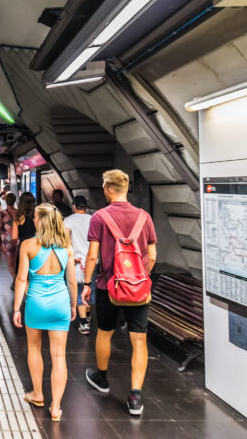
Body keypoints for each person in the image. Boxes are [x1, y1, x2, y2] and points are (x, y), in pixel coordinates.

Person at [81, 169, 157, 416]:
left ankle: (102, 379)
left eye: (104, 188)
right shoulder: (145, 217)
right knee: (139, 339)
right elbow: (152, 255)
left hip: (107, 287)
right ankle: (135, 396)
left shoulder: (100, 217)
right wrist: (138, 277)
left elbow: (93, 254)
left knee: (104, 332)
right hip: (139, 289)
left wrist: (86, 283)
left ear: (109, 190)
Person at [12, 204, 76, 422]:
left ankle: (38, 394)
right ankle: (56, 407)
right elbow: (72, 281)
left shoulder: (28, 245)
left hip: (35, 302)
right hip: (60, 303)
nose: (34, 220)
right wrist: (74, 306)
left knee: (34, 348)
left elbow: (21, 279)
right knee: (59, 356)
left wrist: (16, 308)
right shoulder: (66, 247)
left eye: (36, 217)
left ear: (40, 219)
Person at [64, 195, 93, 335]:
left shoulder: (68, 220)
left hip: (76, 261)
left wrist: (70, 256)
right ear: (86, 207)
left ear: (74, 206)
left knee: (79, 290)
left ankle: (84, 322)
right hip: (92, 261)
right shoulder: (93, 219)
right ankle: (87, 317)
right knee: (89, 290)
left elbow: (65, 241)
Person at [11, 191, 37, 290]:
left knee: (24, 276)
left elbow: (14, 238)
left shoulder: (18, 219)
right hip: (37, 248)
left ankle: (27, 298)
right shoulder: (38, 218)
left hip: (24, 248)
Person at [0, 192, 19, 279]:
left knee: (10, 265)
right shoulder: (19, 213)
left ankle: (16, 281)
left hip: (7, 241)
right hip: (18, 240)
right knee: (17, 262)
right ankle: (17, 281)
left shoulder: (2, 214)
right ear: (14, 201)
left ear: (5, 201)